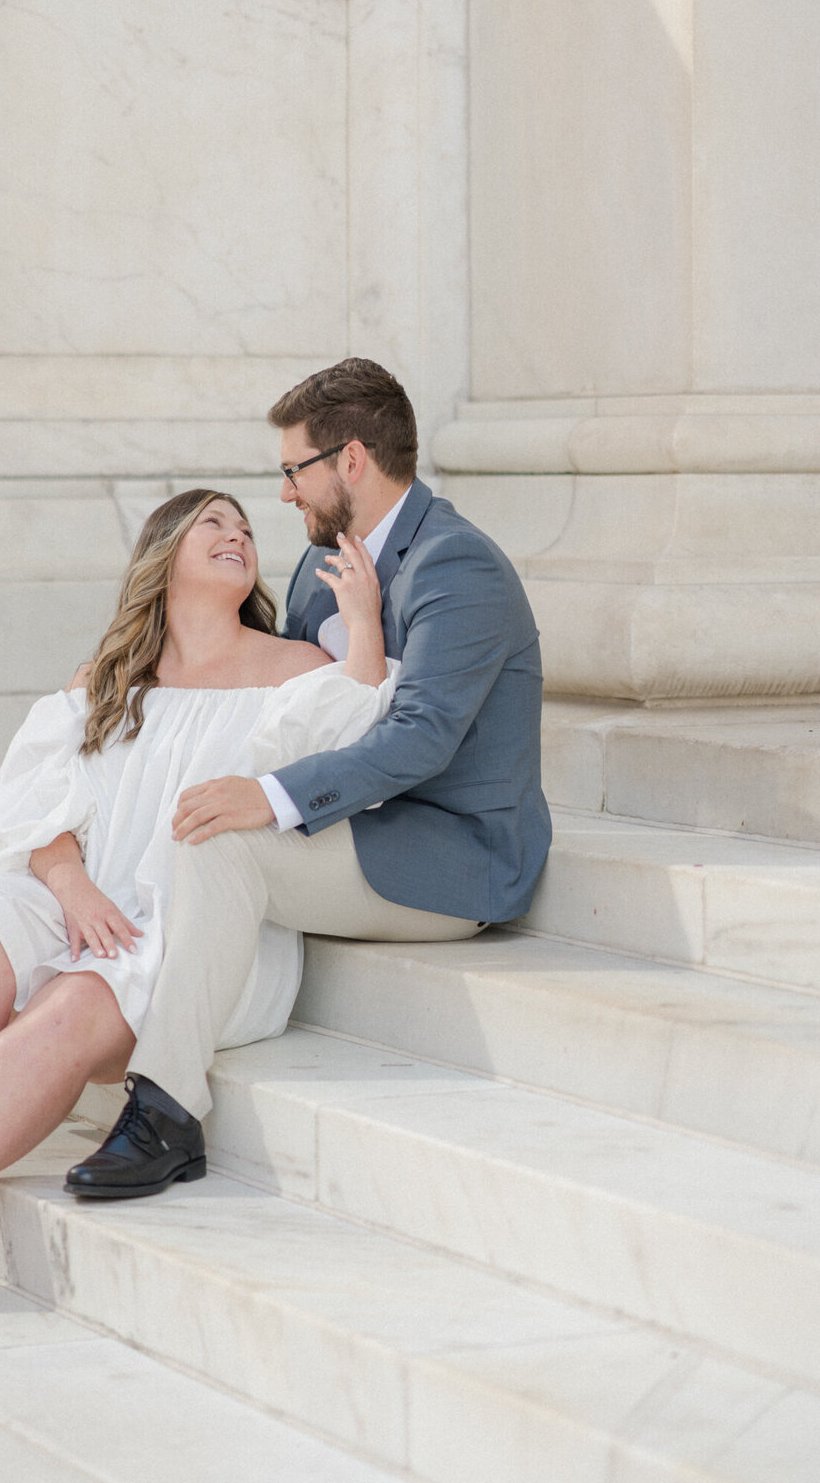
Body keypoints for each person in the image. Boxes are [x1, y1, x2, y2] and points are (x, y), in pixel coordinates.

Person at [0, 486, 398, 1313]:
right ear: (164, 553)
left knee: (81, 993)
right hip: (90, 897)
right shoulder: (109, 679)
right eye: (212, 522)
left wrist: (362, 622)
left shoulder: (289, 668)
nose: (237, 534)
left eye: (246, 528)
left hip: (198, 931)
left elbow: (353, 736)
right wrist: (70, 888)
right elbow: (35, 810)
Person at [66, 356, 551, 1200]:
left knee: (224, 844)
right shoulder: (318, 566)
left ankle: (167, 1111)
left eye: (295, 469)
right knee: (168, 812)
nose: (285, 494)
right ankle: (17, 1055)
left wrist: (271, 797)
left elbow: (422, 737)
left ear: (350, 460)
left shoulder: (456, 566)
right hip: (351, 830)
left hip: (447, 855)